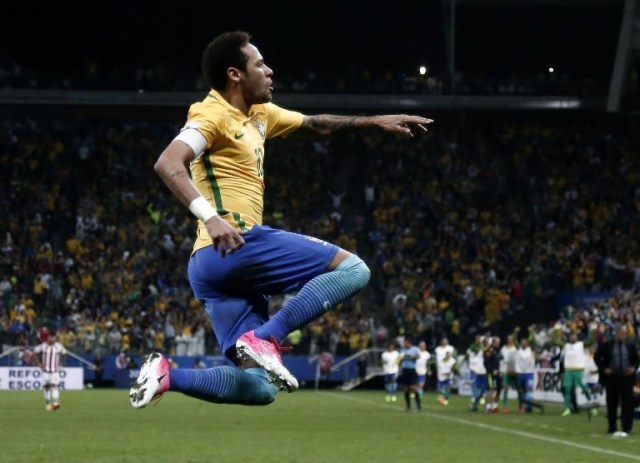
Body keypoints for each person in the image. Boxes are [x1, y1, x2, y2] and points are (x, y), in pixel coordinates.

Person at [129, 30, 433, 409]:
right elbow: (168, 162)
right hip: (233, 242)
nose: (270, 71)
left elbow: (315, 123)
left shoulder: (259, 115)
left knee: (260, 388)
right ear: (234, 75)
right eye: (259, 64)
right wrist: (210, 217)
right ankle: (267, 337)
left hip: (210, 268)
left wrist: (373, 122)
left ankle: (167, 376)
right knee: (354, 271)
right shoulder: (211, 114)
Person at [594, 325, 639, 437]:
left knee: (627, 403)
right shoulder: (607, 345)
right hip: (612, 378)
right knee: (611, 403)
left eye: (625, 334)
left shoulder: (630, 346)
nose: (624, 336)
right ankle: (612, 427)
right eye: (622, 333)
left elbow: (637, 359)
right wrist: (604, 368)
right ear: (617, 333)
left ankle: (627, 428)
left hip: (627, 378)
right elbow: (597, 357)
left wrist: (633, 368)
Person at [560, 333, 593, 416]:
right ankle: (567, 409)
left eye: (575, 336)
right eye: (572, 336)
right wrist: (557, 331)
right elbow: (555, 341)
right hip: (568, 370)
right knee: (567, 389)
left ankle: (592, 405)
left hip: (578, 370)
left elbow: (592, 340)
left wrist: (594, 331)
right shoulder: (566, 345)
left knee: (584, 387)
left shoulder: (581, 344)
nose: (573, 338)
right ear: (569, 338)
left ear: (577, 338)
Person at [33, 331, 67, 411]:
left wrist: (62, 364)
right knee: (46, 387)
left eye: (53, 337)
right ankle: (48, 404)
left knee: (54, 385)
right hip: (45, 371)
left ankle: (55, 402)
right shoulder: (43, 346)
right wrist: (38, 364)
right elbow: (35, 352)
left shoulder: (58, 346)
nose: (51, 339)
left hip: (55, 371)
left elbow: (65, 354)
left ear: (55, 338)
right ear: (47, 338)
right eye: (50, 337)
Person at [398, 337, 422, 412]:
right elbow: (400, 358)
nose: (404, 344)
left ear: (409, 343)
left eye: (405, 342)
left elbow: (418, 356)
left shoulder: (415, 349)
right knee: (405, 389)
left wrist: (410, 356)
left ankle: (418, 405)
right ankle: (408, 407)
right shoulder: (403, 350)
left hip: (412, 370)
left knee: (414, 388)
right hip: (405, 370)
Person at [500, 333, 520, 413]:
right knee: (505, 388)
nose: (510, 340)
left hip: (515, 371)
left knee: (519, 389)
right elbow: (501, 359)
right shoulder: (504, 348)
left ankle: (521, 406)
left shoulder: (516, 348)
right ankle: (505, 407)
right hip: (506, 371)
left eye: (511, 339)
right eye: (509, 339)